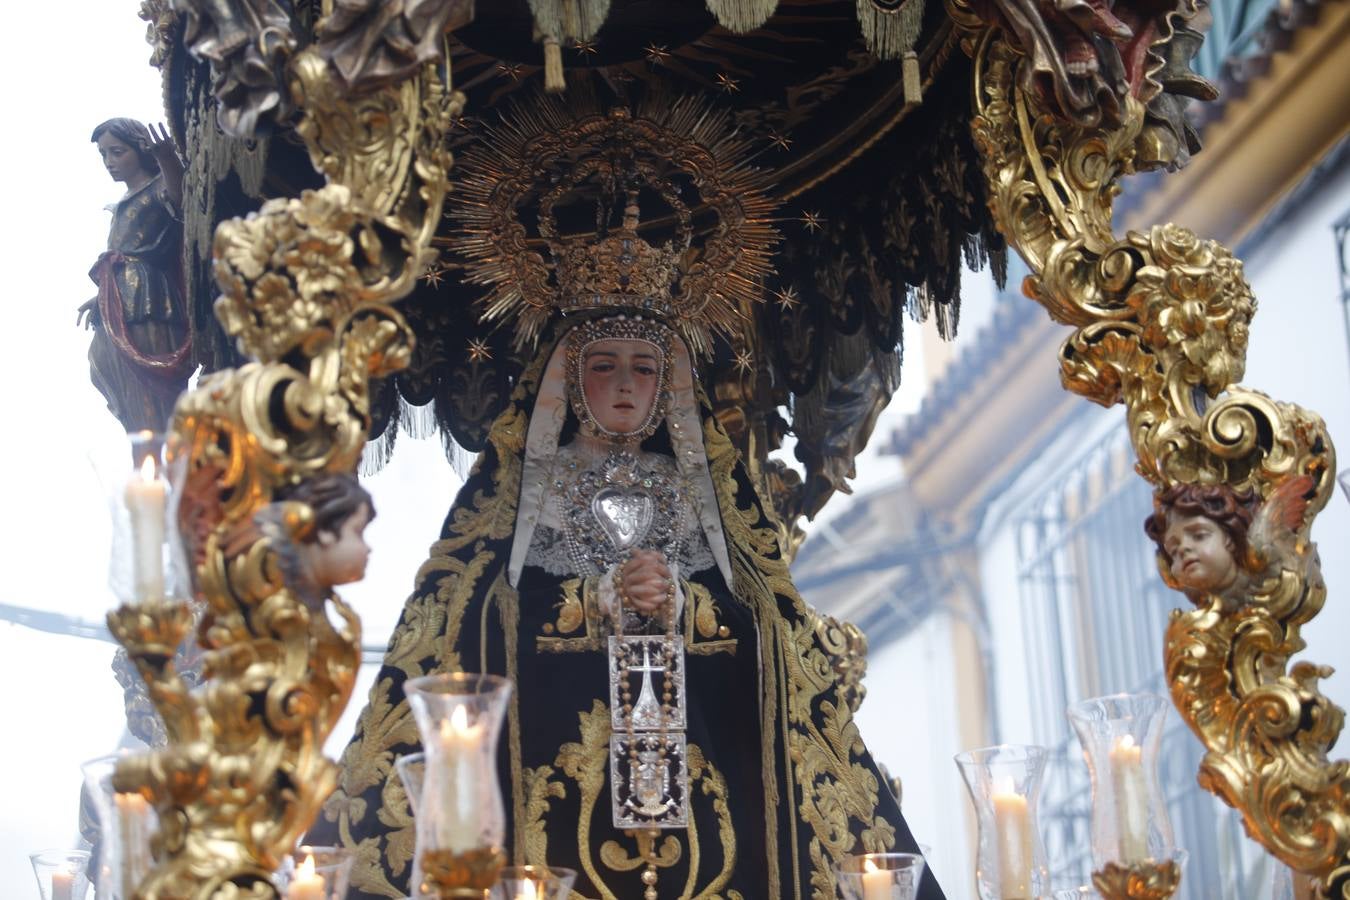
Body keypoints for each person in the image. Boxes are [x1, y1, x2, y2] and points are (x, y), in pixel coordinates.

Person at [313, 299, 943, 897]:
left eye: (644, 368)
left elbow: (767, 624)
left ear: (668, 381)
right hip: (552, 778)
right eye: (602, 366)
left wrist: (684, 605)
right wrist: (595, 600)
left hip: (697, 773)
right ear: (568, 377)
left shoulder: (705, 492)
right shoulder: (529, 491)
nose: (624, 385)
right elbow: (468, 614)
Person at [79, 118, 192, 433]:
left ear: (141, 150)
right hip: (118, 301)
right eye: (104, 155)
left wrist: (167, 159)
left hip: (147, 299)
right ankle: (148, 458)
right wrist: (101, 296)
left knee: (152, 391)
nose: (109, 162)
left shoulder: (157, 188)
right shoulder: (122, 203)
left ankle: (165, 451)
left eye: (117, 152)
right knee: (119, 385)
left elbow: (182, 201)